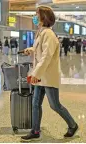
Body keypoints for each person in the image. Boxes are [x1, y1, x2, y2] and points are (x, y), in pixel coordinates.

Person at [21, 6, 78, 142]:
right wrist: (31, 50)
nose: (35, 17)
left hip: (47, 75)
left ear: (44, 17)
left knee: (54, 105)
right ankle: (35, 131)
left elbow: (47, 56)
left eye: (37, 14)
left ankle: (73, 124)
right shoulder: (41, 32)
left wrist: (36, 73)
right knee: (35, 104)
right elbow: (39, 49)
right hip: (41, 76)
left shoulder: (49, 34)